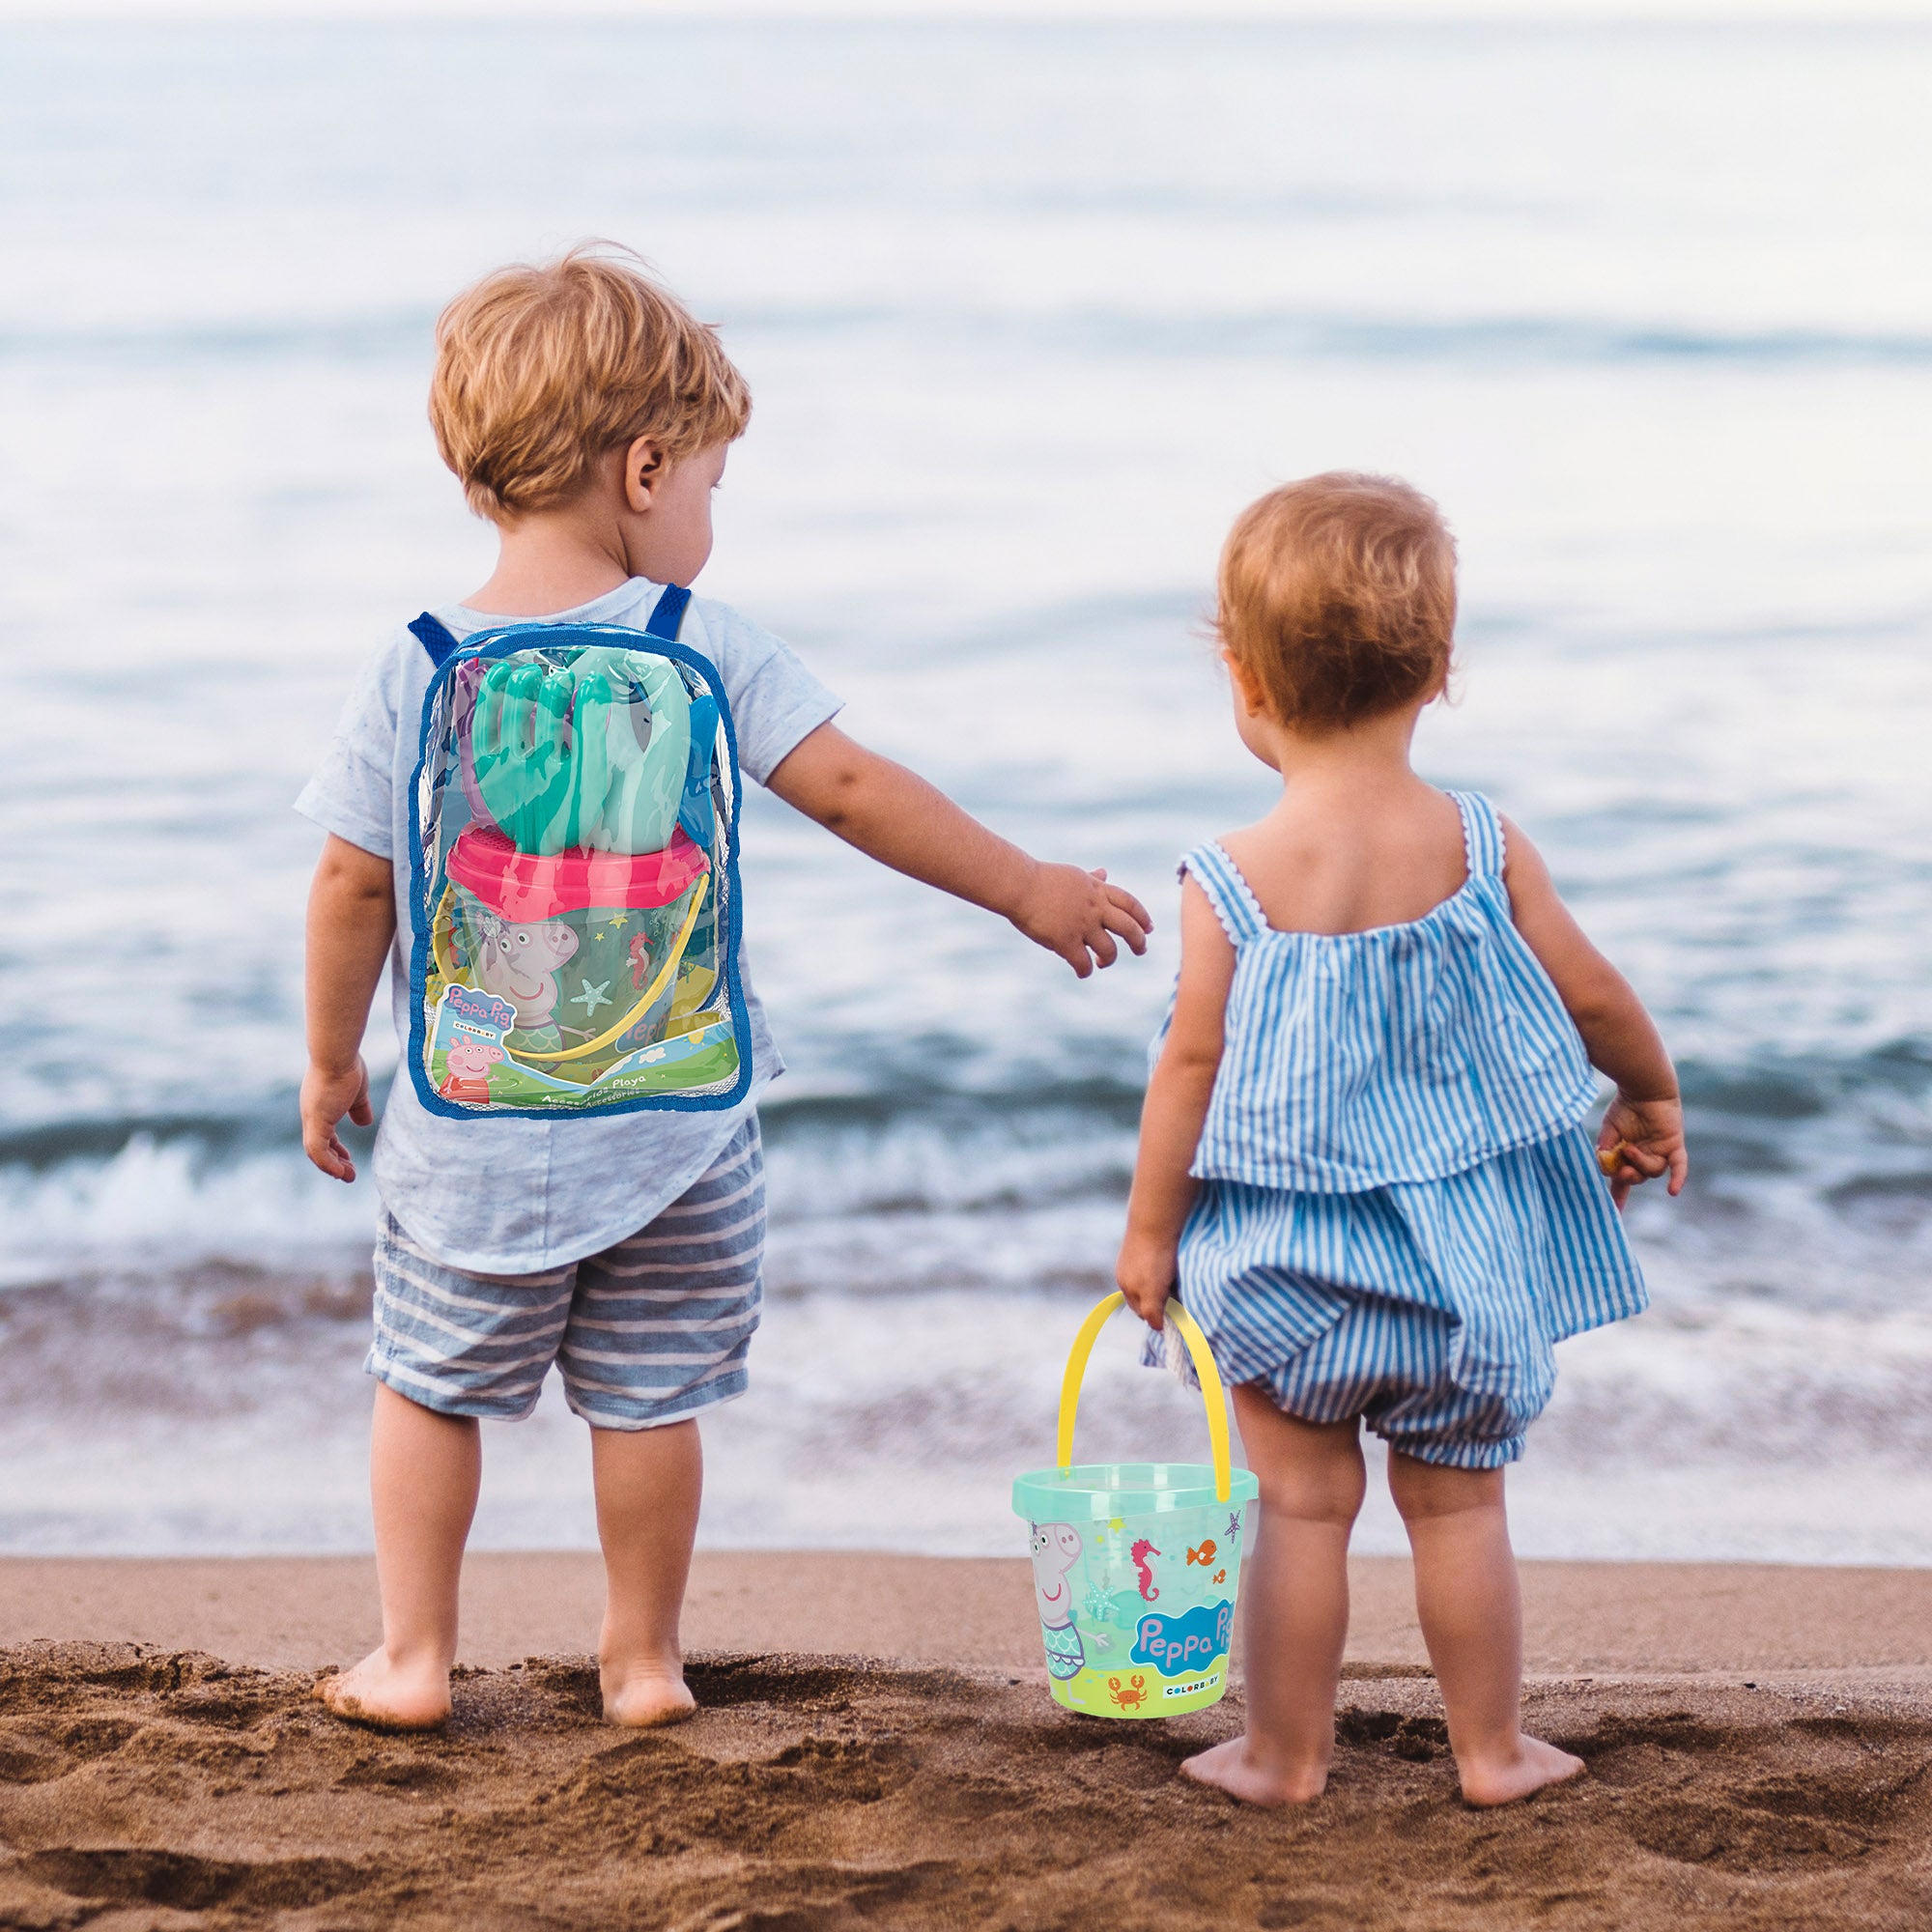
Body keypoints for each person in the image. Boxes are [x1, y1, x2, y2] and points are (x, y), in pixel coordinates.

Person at [297, 244, 1151, 1733]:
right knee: (646, 1401)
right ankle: (640, 1661)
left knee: (430, 1387)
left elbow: (354, 884)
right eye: (706, 481)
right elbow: (854, 790)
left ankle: (414, 1656)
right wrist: (1028, 888)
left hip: (475, 1127)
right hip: (677, 1131)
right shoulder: (701, 646)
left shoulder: (415, 666)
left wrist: (328, 1061)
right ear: (641, 469)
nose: (708, 514)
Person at [1115, 473, 1686, 1807]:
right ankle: (1492, 1753)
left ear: (1244, 680)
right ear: (1438, 671)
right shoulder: (1481, 847)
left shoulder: (1231, 880)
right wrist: (1649, 1098)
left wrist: (1149, 1234)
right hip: (1465, 1276)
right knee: (1459, 1510)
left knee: (1304, 1513)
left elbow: (1186, 1072)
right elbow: (1594, 995)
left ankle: (1283, 1754)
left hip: (1288, 1276)